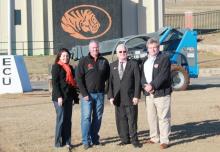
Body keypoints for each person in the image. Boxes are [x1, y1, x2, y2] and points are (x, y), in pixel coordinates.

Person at [76, 40, 110, 150]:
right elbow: (79, 79)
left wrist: (105, 90)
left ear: (99, 48)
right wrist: (84, 93)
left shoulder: (104, 61)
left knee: (98, 117)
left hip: (99, 94)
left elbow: (108, 78)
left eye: (96, 48)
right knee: (86, 118)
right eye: (93, 48)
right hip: (87, 95)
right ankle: (86, 141)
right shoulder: (83, 61)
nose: (95, 49)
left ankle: (95, 139)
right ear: (89, 49)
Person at [108, 44, 142, 148]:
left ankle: (134, 140)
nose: (123, 53)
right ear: (117, 54)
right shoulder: (112, 65)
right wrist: (110, 96)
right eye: (120, 52)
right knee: (121, 119)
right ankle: (124, 139)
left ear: (127, 53)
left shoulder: (133, 64)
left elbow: (137, 81)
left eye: (124, 51)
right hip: (118, 98)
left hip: (130, 97)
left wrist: (136, 96)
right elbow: (110, 82)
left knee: (132, 119)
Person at [141, 38, 172, 149]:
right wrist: (145, 86)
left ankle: (165, 141)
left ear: (158, 48)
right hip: (149, 94)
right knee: (151, 117)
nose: (153, 49)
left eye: (155, 47)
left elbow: (163, 76)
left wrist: (152, 86)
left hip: (162, 93)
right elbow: (142, 76)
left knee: (163, 117)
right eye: (150, 47)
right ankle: (154, 137)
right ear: (147, 49)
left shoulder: (164, 59)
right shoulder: (145, 60)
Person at [51, 48, 79, 149]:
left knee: (68, 120)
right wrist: (59, 97)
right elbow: (55, 83)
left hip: (68, 97)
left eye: (67, 56)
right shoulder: (56, 67)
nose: (65, 57)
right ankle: (58, 143)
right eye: (63, 56)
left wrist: (75, 98)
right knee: (61, 119)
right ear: (59, 56)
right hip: (59, 98)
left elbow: (72, 84)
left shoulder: (70, 67)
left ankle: (67, 141)